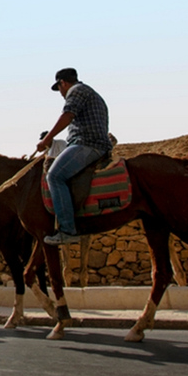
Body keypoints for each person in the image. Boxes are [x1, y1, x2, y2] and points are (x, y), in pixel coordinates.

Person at [36, 68, 111, 246]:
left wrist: (47, 140)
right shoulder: (92, 93)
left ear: (63, 83)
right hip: (96, 143)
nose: (61, 93)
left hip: (87, 144)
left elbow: (67, 115)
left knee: (54, 176)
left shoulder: (76, 91)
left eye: (59, 88)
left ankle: (67, 229)